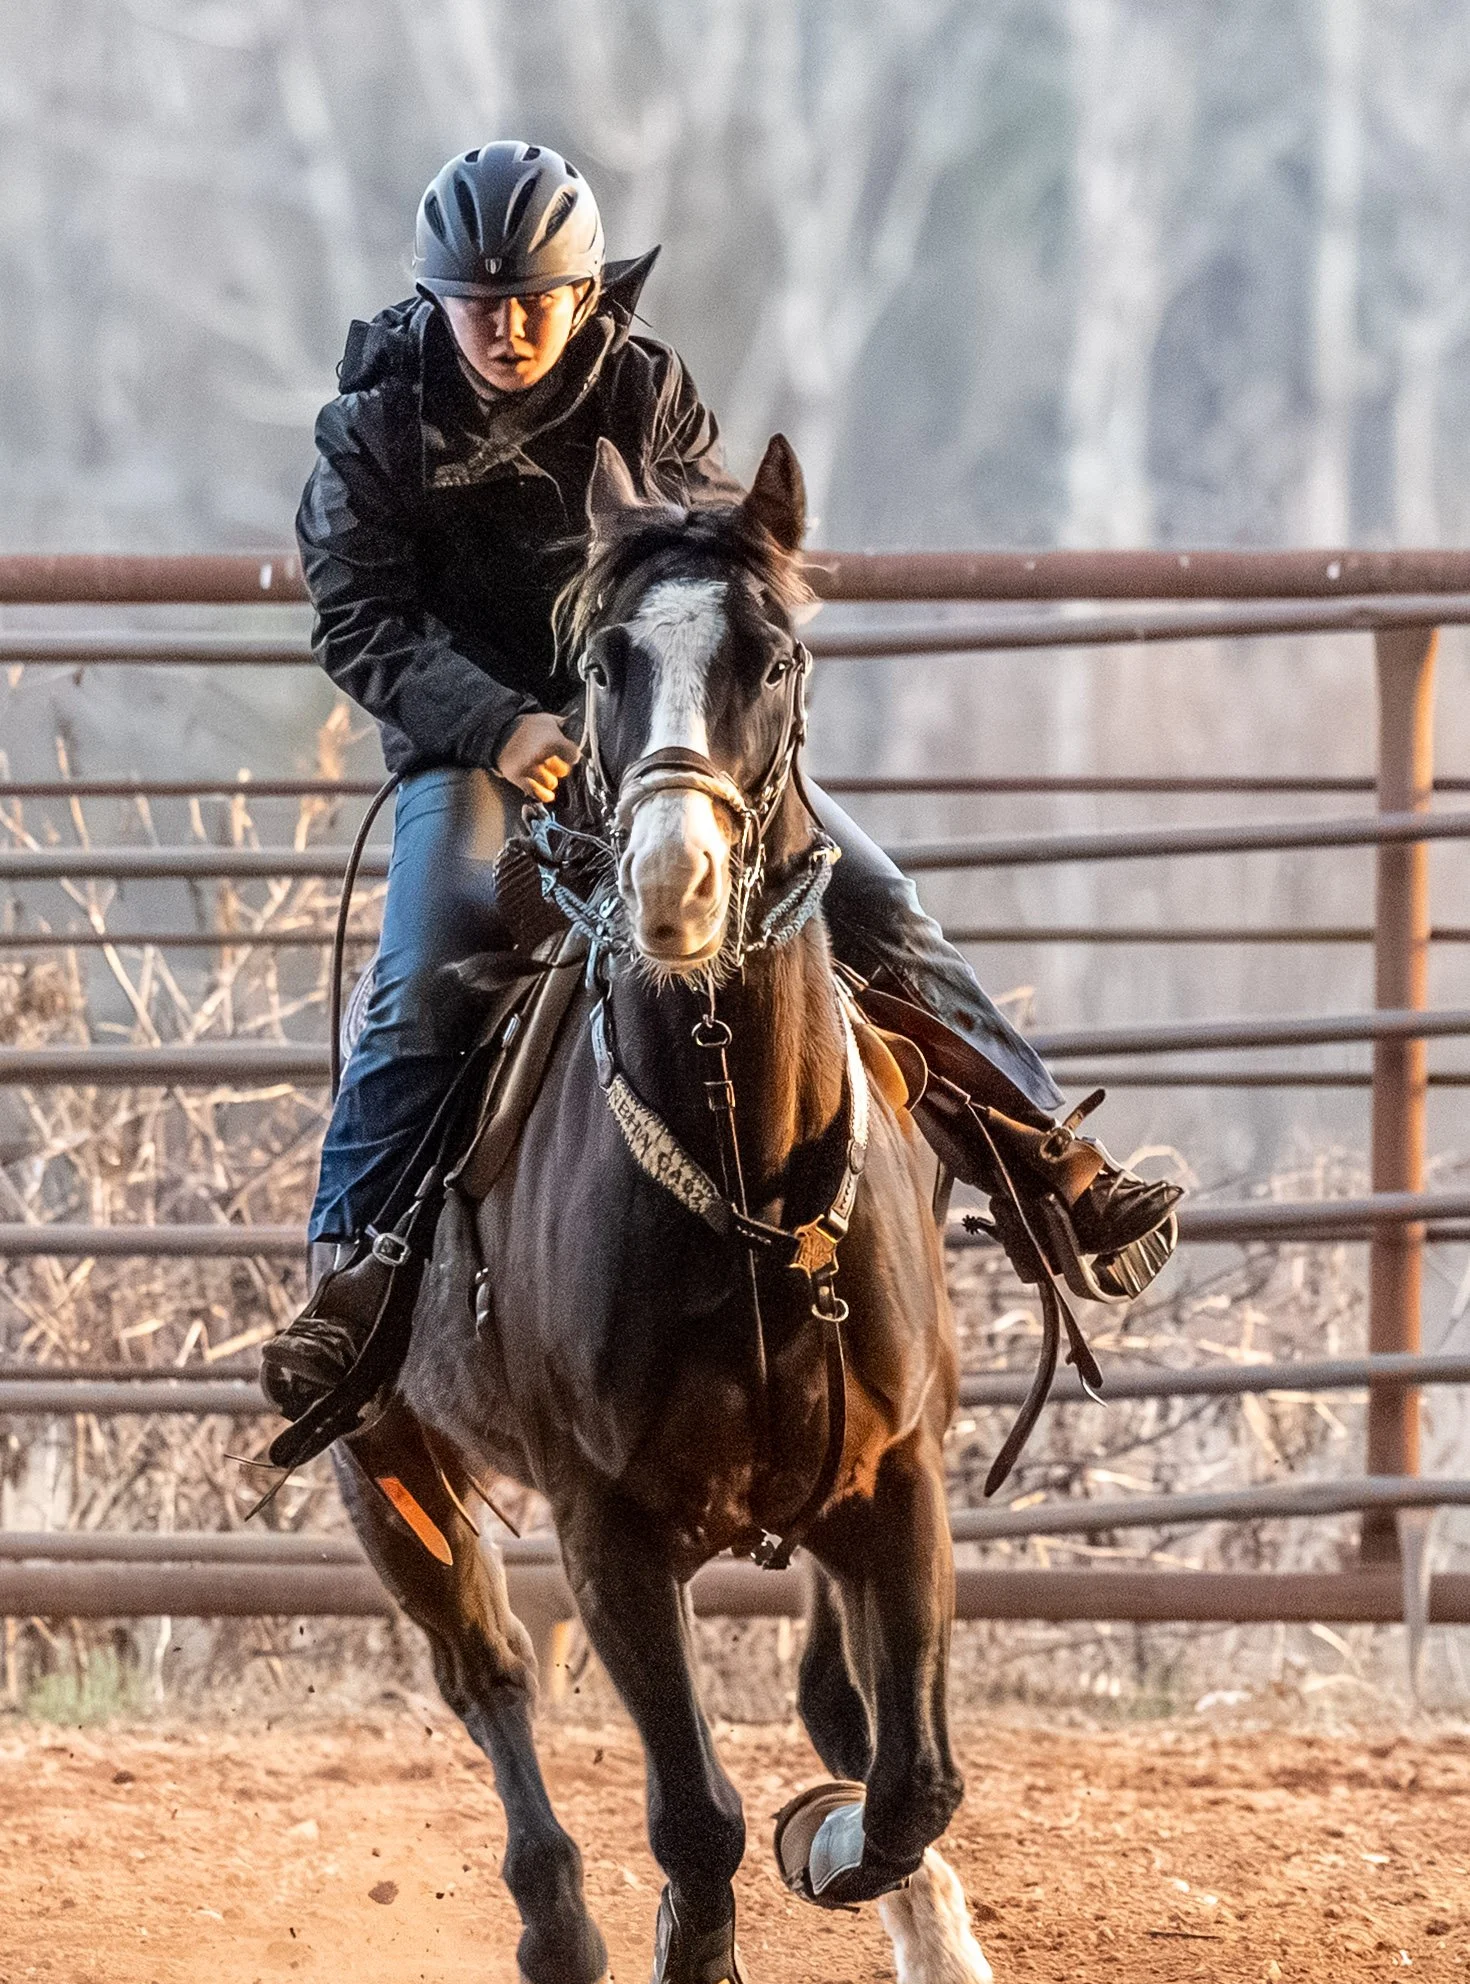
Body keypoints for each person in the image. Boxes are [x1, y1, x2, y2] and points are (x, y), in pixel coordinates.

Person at [260, 141, 1179, 1423]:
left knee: (874, 899)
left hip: (660, 743)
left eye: (536, 296)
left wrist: (642, 715)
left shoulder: (643, 388)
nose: (509, 325)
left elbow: (706, 572)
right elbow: (358, 616)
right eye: (481, 301)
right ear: (434, 299)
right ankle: (356, 1285)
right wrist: (499, 724)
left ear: (587, 293)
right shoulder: (373, 427)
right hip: (480, 756)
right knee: (423, 976)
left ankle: (1055, 1168)